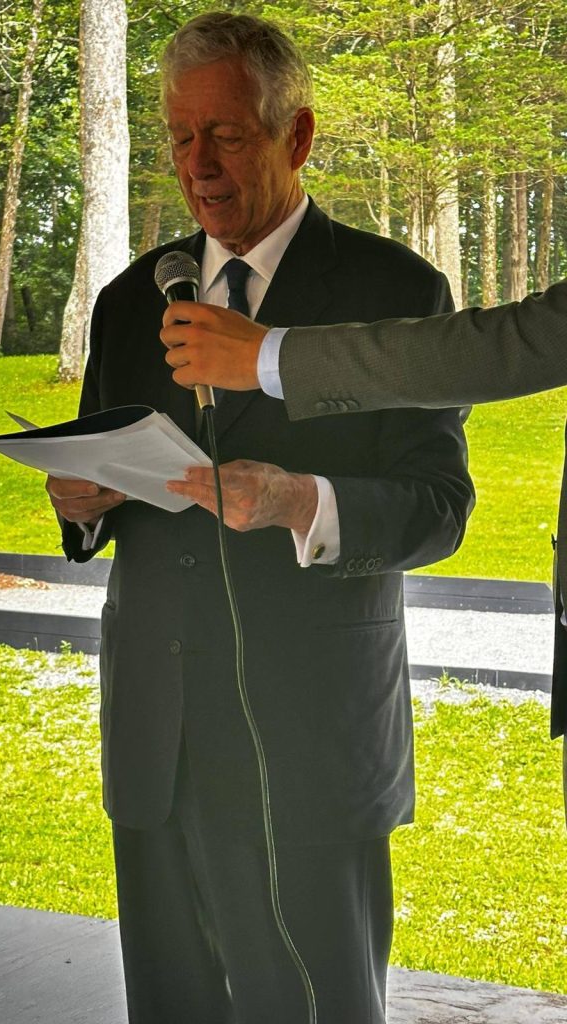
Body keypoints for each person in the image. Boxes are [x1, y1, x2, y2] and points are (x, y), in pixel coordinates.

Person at [47, 13, 474, 1024]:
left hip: (311, 742)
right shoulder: (130, 301)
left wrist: (297, 502)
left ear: (298, 135)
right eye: (179, 136)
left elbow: (438, 508)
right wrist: (82, 504)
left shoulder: (394, 292)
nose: (197, 164)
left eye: (227, 135)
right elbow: (103, 479)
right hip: (158, 739)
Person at [159, 282, 567, 786]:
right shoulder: (131, 296)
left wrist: (269, 357)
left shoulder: (395, 279)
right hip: (152, 738)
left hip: (326, 731)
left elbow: (523, 339)